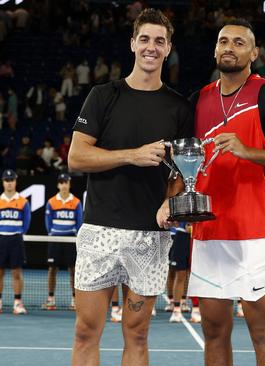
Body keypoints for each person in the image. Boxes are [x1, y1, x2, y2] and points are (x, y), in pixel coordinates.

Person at [68, 9, 193, 366]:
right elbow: (77, 158)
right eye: (145, 39)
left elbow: (182, 171)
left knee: (137, 334)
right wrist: (132, 155)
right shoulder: (103, 95)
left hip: (149, 237)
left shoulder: (179, 107)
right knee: (85, 331)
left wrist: (171, 201)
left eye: (159, 41)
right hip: (99, 231)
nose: (151, 47)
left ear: (168, 48)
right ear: (132, 44)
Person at [186, 19, 265, 366]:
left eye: (239, 43)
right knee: (214, 331)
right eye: (223, 41)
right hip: (209, 230)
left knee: (262, 331)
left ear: (254, 53)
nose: (229, 47)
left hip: (255, 234)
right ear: (215, 50)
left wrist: (248, 151)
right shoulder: (198, 99)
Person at [41, 172, 83, 311]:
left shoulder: (76, 202)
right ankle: (51, 299)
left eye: (66, 182)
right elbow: (48, 222)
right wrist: (52, 234)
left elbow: (79, 222)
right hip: (55, 239)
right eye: (62, 182)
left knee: (73, 270)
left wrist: (75, 236)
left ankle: (75, 300)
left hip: (70, 239)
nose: (64, 185)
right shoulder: (51, 202)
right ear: (58, 185)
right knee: (52, 269)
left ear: (69, 184)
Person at [0, 169, 31, 315]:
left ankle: (17, 302)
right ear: (3, 182)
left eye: (11, 180)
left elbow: (26, 223)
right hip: (1, 239)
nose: (9, 183)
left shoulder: (23, 202)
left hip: (16, 240)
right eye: (7, 180)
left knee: (16, 273)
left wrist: (18, 234)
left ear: (15, 182)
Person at [168, 222, 191, 323]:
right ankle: (176, 309)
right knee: (178, 272)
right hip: (180, 235)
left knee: (191, 273)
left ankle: (191, 305)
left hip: (199, 237)